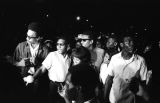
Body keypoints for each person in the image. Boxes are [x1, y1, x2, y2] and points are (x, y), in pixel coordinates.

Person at [24, 35, 71, 103]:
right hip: (54, 86)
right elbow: (42, 69)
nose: (59, 46)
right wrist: (33, 78)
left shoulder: (70, 57)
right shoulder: (52, 55)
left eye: (61, 44)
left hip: (66, 86)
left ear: (67, 46)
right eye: (57, 44)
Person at [104, 34, 149, 103]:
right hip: (114, 99)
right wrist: (105, 98)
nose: (132, 44)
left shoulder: (140, 60)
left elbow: (143, 83)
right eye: (129, 41)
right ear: (121, 45)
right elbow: (109, 79)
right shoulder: (114, 58)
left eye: (133, 41)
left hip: (130, 100)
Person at [12, 22, 50, 102]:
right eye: (27, 35)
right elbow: (13, 63)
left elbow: (46, 69)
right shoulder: (20, 46)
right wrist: (21, 63)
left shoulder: (46, 50)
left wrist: (38, 63)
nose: (27, 38)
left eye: (30, 37)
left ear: (39, 38)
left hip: (38, 83)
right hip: (23, 80)